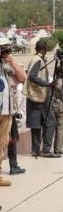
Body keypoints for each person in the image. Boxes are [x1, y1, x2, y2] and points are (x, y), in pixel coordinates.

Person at [24, 40, 59, 158]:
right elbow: (32, 76)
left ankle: (36, 150)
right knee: (50, 122)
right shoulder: (38, 60)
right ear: (44, 49)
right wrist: (47, 84)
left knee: (36, 124)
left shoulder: (35, 59)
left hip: (36, 96)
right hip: (39, 96)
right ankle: (46, 150)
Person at [0, 38, 27, 185]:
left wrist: (12, 61)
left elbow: (22, 77)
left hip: (6, 110)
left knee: (2, 143)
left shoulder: (7, 66)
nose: (5, 52)